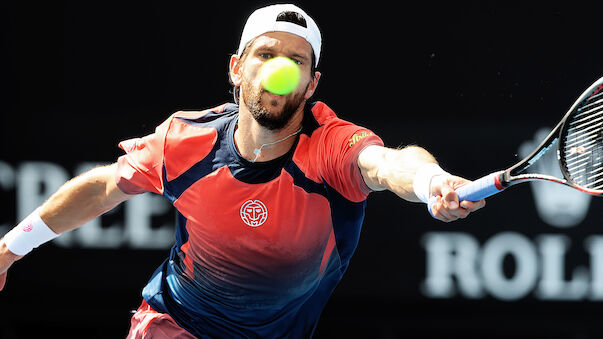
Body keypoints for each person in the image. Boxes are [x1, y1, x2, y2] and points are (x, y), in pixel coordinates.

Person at [0, 4, 484, 338]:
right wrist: (8, 250)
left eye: (296, 61)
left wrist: (430, 182)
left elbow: (388, 163)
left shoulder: (331, 145)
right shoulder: (185, 141)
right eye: (266, 54)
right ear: (236, 68)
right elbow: (105, 187)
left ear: (312, 83)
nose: (281, 69)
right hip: (175, 323)